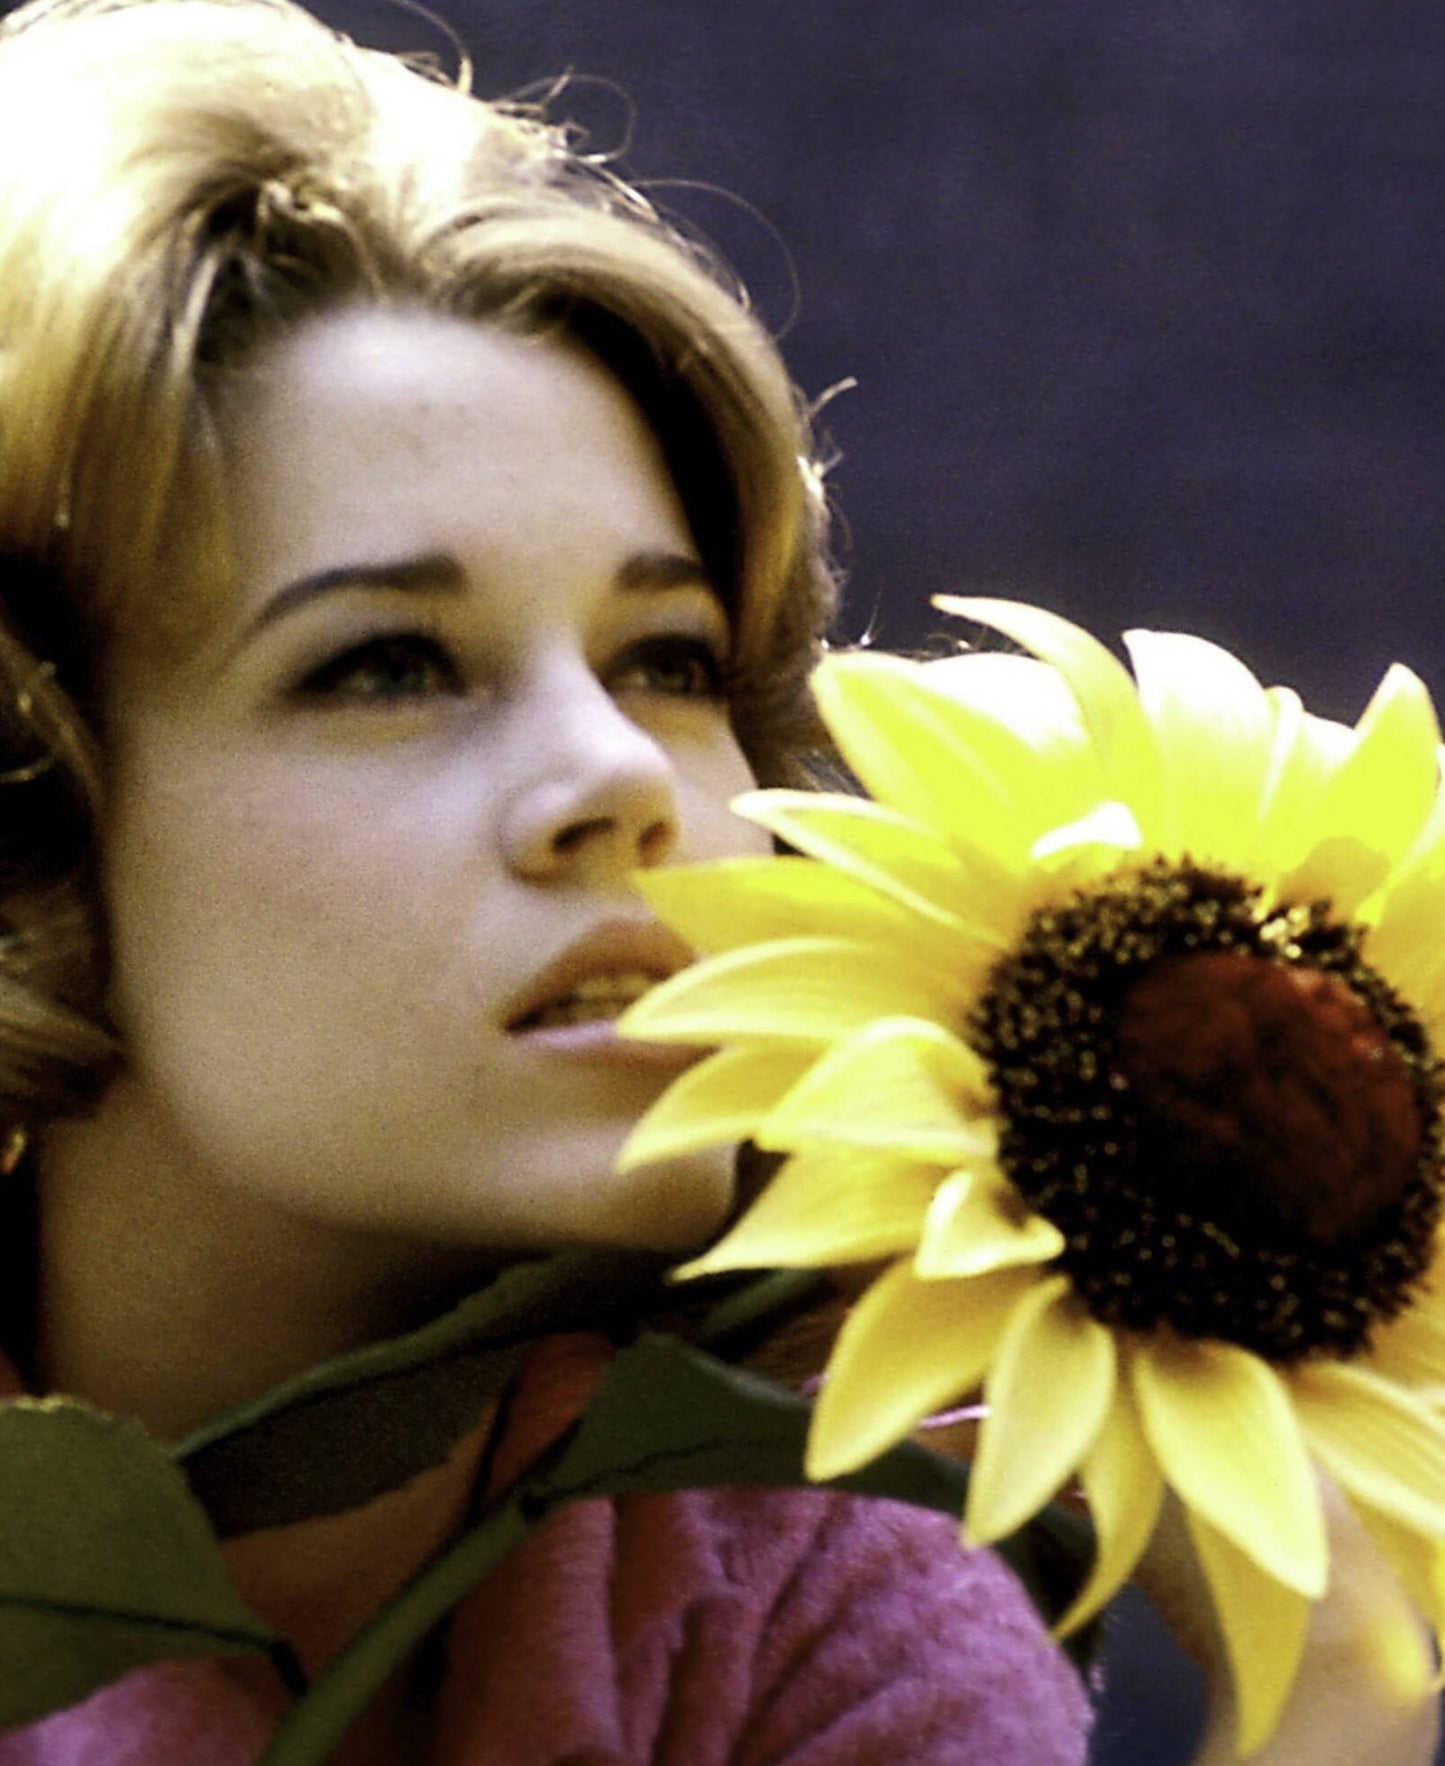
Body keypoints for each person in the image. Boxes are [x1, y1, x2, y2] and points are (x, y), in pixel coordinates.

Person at [0, 1, 1432, 1761]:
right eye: (386, 664)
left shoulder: (811, 1560)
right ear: (30, 833)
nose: (617, 774)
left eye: (665, 658)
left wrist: (1337, 1690)